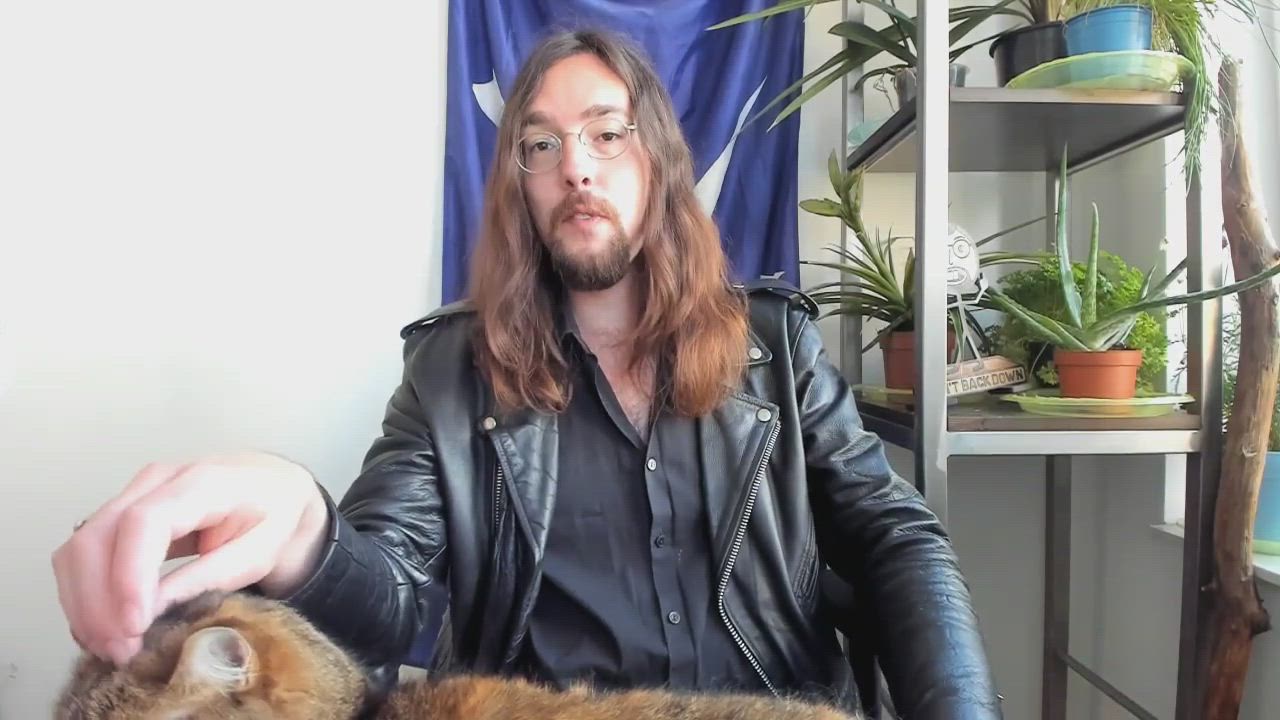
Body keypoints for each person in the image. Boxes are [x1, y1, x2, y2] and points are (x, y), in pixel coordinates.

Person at [52, 28, 1001, 719]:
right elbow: (388, 595)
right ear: (520, 185)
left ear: (659, 162)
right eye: (542, 145)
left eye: (606, 134)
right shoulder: (451, 373)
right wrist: (307, 527)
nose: (575, 168)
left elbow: (897, 541)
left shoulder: (776, 348)